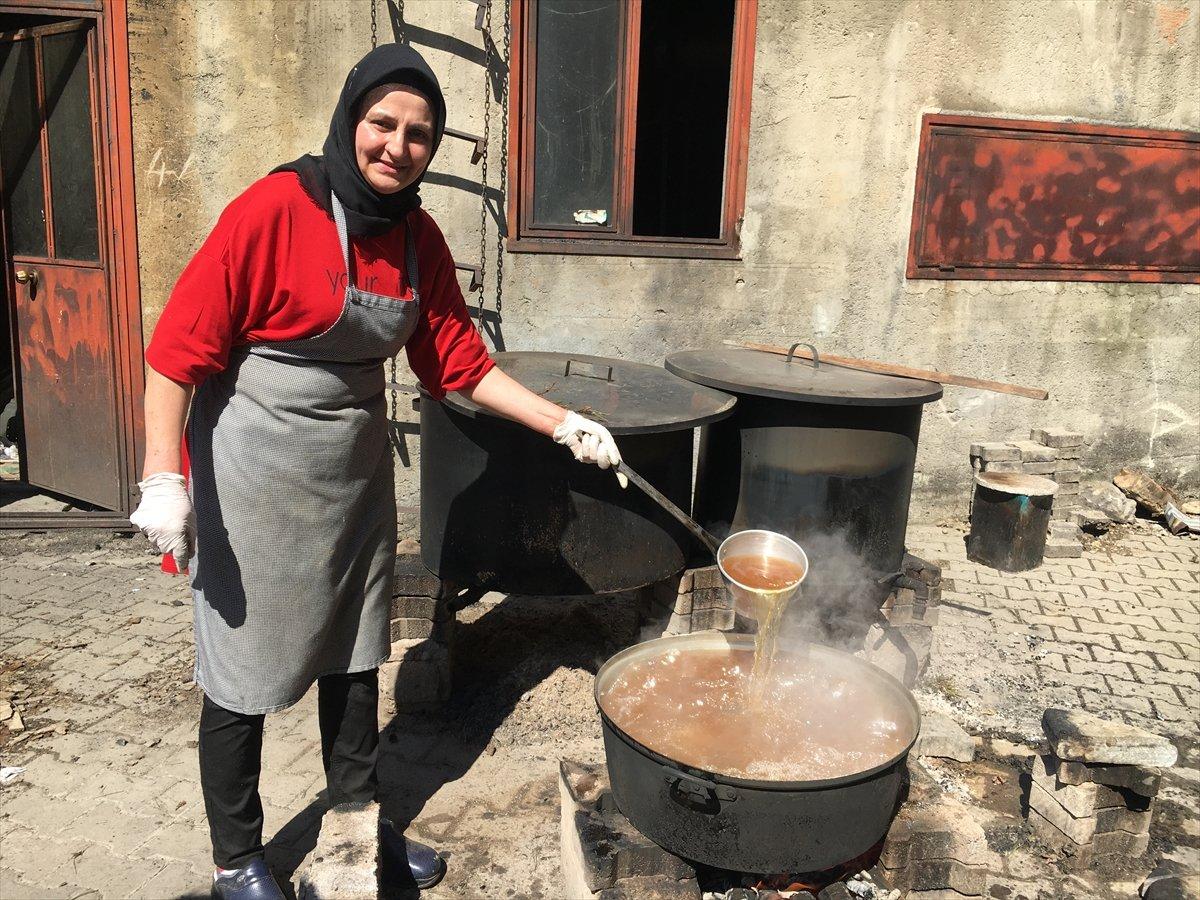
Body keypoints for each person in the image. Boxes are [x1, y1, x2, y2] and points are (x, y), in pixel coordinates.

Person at [130, 44, 623, 900]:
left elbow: (459, 363)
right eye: (382, 124)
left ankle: (355, 825)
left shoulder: (416, 236)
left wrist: (564, 423)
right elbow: (175, 356)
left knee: (354, 658)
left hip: (353, 476)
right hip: (253, 473)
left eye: (419, 134)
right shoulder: (271, 210)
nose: (397, 146)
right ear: (352, 121)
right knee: (243, 670)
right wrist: (161, 481)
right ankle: (237, 857)